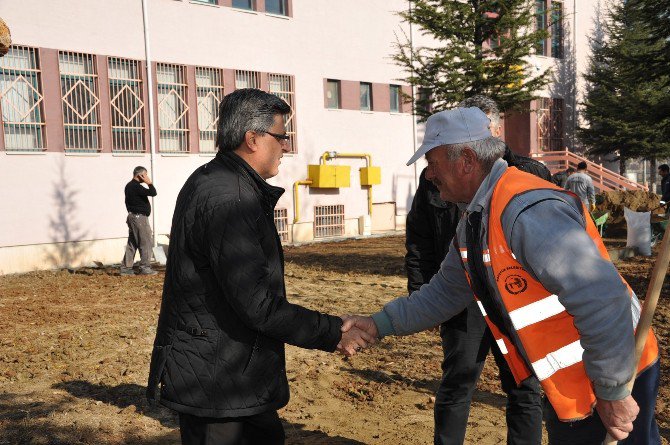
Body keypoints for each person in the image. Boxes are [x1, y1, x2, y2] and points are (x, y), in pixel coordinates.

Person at [345, 107, 660, 444]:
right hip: (575, 380)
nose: (429, 174)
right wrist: (379, 323)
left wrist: (612, 389)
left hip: (614, 369)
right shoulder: (475, 219)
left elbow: (602, 298)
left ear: (466, 160)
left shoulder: (526, 211)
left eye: (432, 162)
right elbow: (443, 293)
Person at [146, 88, 373, 445]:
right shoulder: (229, 199)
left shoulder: (222, 183)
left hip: (232, 374)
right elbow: (257, 304)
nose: (285, 146)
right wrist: (333, 332)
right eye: (281, 136)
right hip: (219, 385)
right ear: (253, 138)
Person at [405, 95, 543, 445]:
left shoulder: (530, 176)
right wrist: (419, 292)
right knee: (458, 381)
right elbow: (420, 238)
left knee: (524, 386)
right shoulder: (436, 178)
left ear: (495, 131)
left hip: (515, 300)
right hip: (459, 298)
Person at [121, 166, 157, 276]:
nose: (146, 177)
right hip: (139, 218)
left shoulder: (130, 186)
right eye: (145, 175)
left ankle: (126, 268)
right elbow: (153, 192)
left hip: (133, 217)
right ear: (140, 175)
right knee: (146, 242)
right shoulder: (135, 186)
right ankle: (145, 268)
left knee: (132, 243)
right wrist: (149, 183)